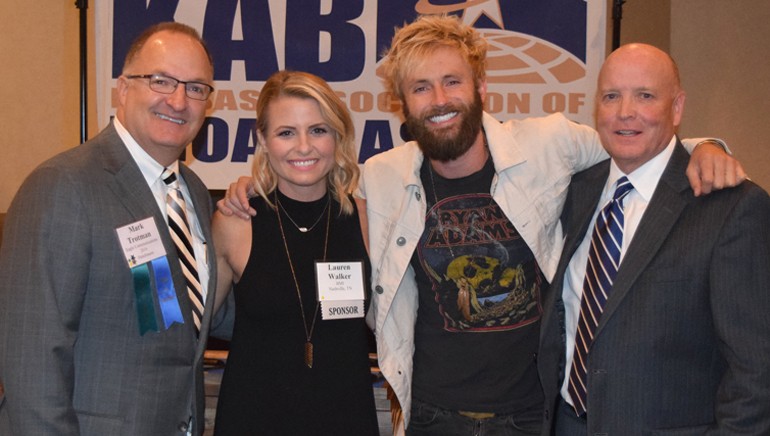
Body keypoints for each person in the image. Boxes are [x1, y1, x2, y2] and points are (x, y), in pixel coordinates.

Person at [219, 15, 745, 435]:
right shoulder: (383, 178)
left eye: (452, 81)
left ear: (482, 86)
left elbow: (633, 141)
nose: (440, 99)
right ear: (402, 102)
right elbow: (305, 186)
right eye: (421, 87)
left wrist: (704, 148)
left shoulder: (550, 144)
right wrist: (251, 188)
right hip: (430, 416)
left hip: (531, 416)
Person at [537, 43, 770, 435]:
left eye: (645, 96)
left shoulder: (732, 208)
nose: (625, 111)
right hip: (568, 423)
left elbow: (757, 369)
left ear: (677, 108)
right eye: (612, 96)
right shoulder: (576, 193)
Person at [0, 22, 220, 435]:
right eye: (161, 80)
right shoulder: (64, 185)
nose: (178, 99)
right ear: (123, 88)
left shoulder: (194, 193)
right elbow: (32, 359)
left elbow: (177, 319)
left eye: (195, 88)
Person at [211, 70, 379, 435]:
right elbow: (197, 326)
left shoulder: (367, 220)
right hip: (253, 419)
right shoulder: (236, 222)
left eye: (318, 130)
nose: (304, 146)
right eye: (286, 132)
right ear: (264, 140)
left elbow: (392, 323)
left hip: (345, 419)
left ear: (338, 136)